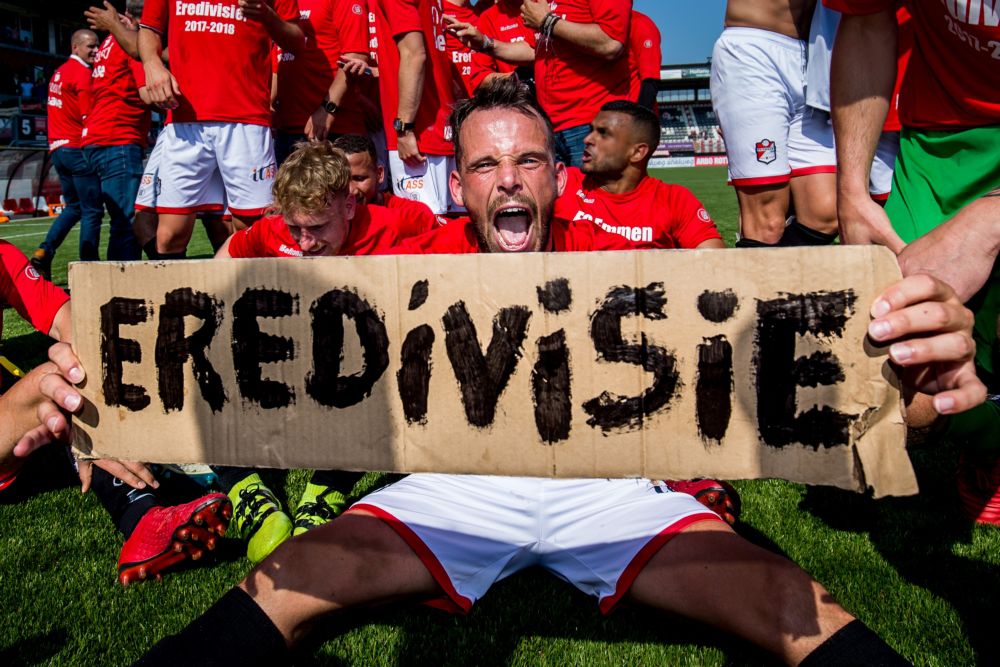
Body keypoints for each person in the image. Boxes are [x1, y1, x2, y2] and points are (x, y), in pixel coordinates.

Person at [104, 76, 981, 667]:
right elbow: (281, 294)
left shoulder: (619, 265)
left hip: (609, 481)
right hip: (453, 483)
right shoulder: (416, 255)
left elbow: (760, 342)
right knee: (281, 586)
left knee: (790, 599)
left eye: (526, 159)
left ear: (556, 177)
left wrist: (895, 370)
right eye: (486, 163)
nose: (507, 178)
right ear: (461, 182)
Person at [211, 141, 434, 565]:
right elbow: (221, 268)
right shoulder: (271, 231)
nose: (306, 242)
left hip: (360, 371)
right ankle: (248, 492)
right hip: (287, 364)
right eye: (297, 229)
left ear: (349, 205)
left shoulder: (400, 226)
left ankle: (326, 489)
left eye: (318, 227)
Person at [828, 0, 1000, 525]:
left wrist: (992, 219)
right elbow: (864, 16)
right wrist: (852, 192)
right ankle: (987, 436)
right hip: (944, 140)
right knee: (889, 369)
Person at [137, 0, 304, 258]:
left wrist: (268, 17)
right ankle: (176, 298)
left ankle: (251, 296)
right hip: (185, 120)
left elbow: (297, 40)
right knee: (169, 237)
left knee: (254, 229)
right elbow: (149, 29)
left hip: (246, 121)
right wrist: (152, 64)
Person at [710, 0, 838, 247]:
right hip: (754, 49)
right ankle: (755, 281)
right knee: (767, 224)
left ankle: (769, 278)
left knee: (826, 213)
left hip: (816, 54)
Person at [557, 100, 725, 252]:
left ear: (637, 152)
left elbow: (714, 262)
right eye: (590, 130)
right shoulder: (563, 183)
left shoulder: (675, 201)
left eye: (603, 133)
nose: (587, 139)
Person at [369, 0, 459, 215]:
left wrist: (404, 127)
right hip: (436, 128)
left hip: (418, 135)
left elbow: (414, 55)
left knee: (426, 229)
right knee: (448, 226)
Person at [520, 0, 632, 167]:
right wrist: (486, 43)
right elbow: (533, 49)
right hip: (551, 124)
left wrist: (547, 21)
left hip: (589, 121)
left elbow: (610, 42)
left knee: (593, 192)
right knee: (562, 192)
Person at [79, 1, 149, 263]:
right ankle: (122, 291)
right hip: (118, 137)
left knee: (110, 218)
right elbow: (148, 92)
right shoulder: (132, 43)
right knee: (126, 222)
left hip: (97, 138)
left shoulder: (109, 43)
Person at [31, 29, 101, 279]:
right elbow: (88, 117)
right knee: (93, 210)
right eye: (91, 46)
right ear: (75, 47)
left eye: (97, 46)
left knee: (73, 208)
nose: (96, 51)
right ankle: (91, 269)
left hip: (58, 149)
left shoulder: (58, 73)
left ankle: (44, 251)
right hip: (76, 148)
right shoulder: (82, 75)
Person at [271, 0, 370, 164]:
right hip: (286, 130)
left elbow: (355, 58)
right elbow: (279, 57)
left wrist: (327, 108)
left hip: (331, 130)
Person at [331, 133, 440, 236]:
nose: (351, 190)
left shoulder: (414, 215)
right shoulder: (324, 219)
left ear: (379, 174)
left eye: (359, 179)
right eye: (343, 180)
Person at [626, 10, 659, 111]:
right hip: (596, 114)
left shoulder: (639, 23)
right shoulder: (587, 26)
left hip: (629, 116)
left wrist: (638, 118)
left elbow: (650, 81)